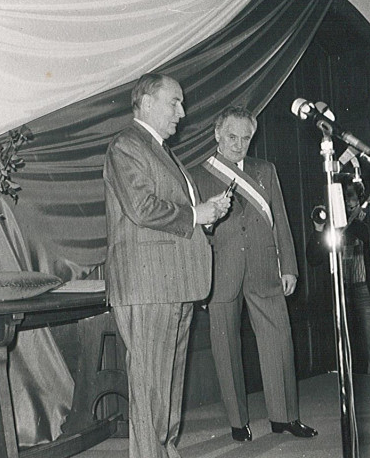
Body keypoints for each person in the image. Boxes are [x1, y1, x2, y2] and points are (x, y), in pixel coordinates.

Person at [103, 73, 231, 458]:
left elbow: (173, 212)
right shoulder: (127, 144)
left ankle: (164, 450)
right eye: (174, 102)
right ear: (145, 102)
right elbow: (142, 208)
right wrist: (198, 213)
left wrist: (205, 216)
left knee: (168, 384)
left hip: (174, 282)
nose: (183, 111)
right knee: (150, 386)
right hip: (148, 285)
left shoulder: (160, 150)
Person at [191, 105, 317, 442]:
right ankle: (237, 421)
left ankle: (285, 417)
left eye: (245, 138)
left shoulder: (266, 170)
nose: (238, 144)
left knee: (279, 340)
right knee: (225, 346)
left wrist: (288, 266)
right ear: (218, 135)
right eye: (232, 137)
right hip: (221, 271)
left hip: (265, 267)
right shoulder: (199, 174)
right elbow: (193, 232)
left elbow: (282, 222)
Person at [306, 178, 370, 376]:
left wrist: (346, 219)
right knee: (349, 347)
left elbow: (369, 236)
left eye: (352, 200)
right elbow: (313, 258)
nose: (348, 205)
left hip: (365, 288)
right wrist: (319, 229)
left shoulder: (368, 216)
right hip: (342, 290)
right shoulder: (334, 223)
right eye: (344, 201)